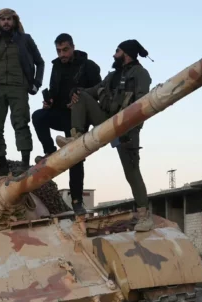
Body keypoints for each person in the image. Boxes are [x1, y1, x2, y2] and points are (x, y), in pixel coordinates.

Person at [56, 39, 155, 231]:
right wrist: (77, 92)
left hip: (126, 125)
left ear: (126, 53)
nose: (114, 55)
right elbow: (93, 91)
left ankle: (144, 215)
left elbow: (143, 104)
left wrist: (130, 127)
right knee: (80, 94)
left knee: (132, 172)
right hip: (106, 120)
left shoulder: (141, 74)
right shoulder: (113, 76)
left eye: (117, 51)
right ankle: (75, 136)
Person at [31, 33, 101, 215]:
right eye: (59, 50)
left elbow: (100, 92)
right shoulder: (56, 67)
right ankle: (50, 151)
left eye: (65, 50)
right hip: (60, 113)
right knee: (38, 116)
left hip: (78, 119)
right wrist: (49, 102)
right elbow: (54, 90)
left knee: (75, 159)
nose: (62, 54)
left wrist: (81, 95)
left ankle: (77, 202)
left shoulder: (89, 66)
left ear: (73, 47)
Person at [0, 8, 44, 175]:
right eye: (2, 19)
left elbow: (39, 62)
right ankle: (1, 162)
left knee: (21, 123)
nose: (6, 22)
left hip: (19, 86)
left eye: (9, 19)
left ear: (14, 21)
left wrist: (36, 83)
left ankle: (25, 162)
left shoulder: (25, 39)